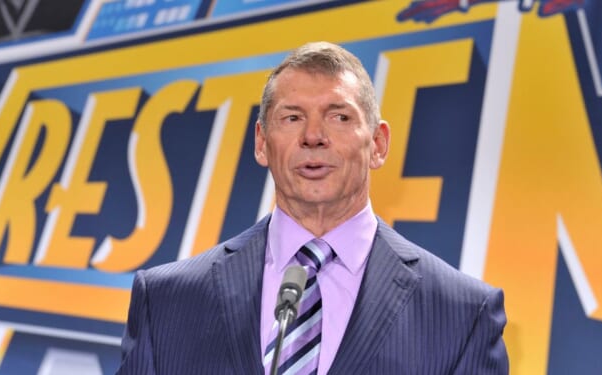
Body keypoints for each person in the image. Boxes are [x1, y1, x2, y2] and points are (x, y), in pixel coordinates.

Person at [117, 41, 508, 375]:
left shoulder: (464, 315)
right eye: (292, 117)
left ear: (378, 144)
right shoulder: (166, 301)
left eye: (339, 117)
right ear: (261, 142)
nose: (313, 136)